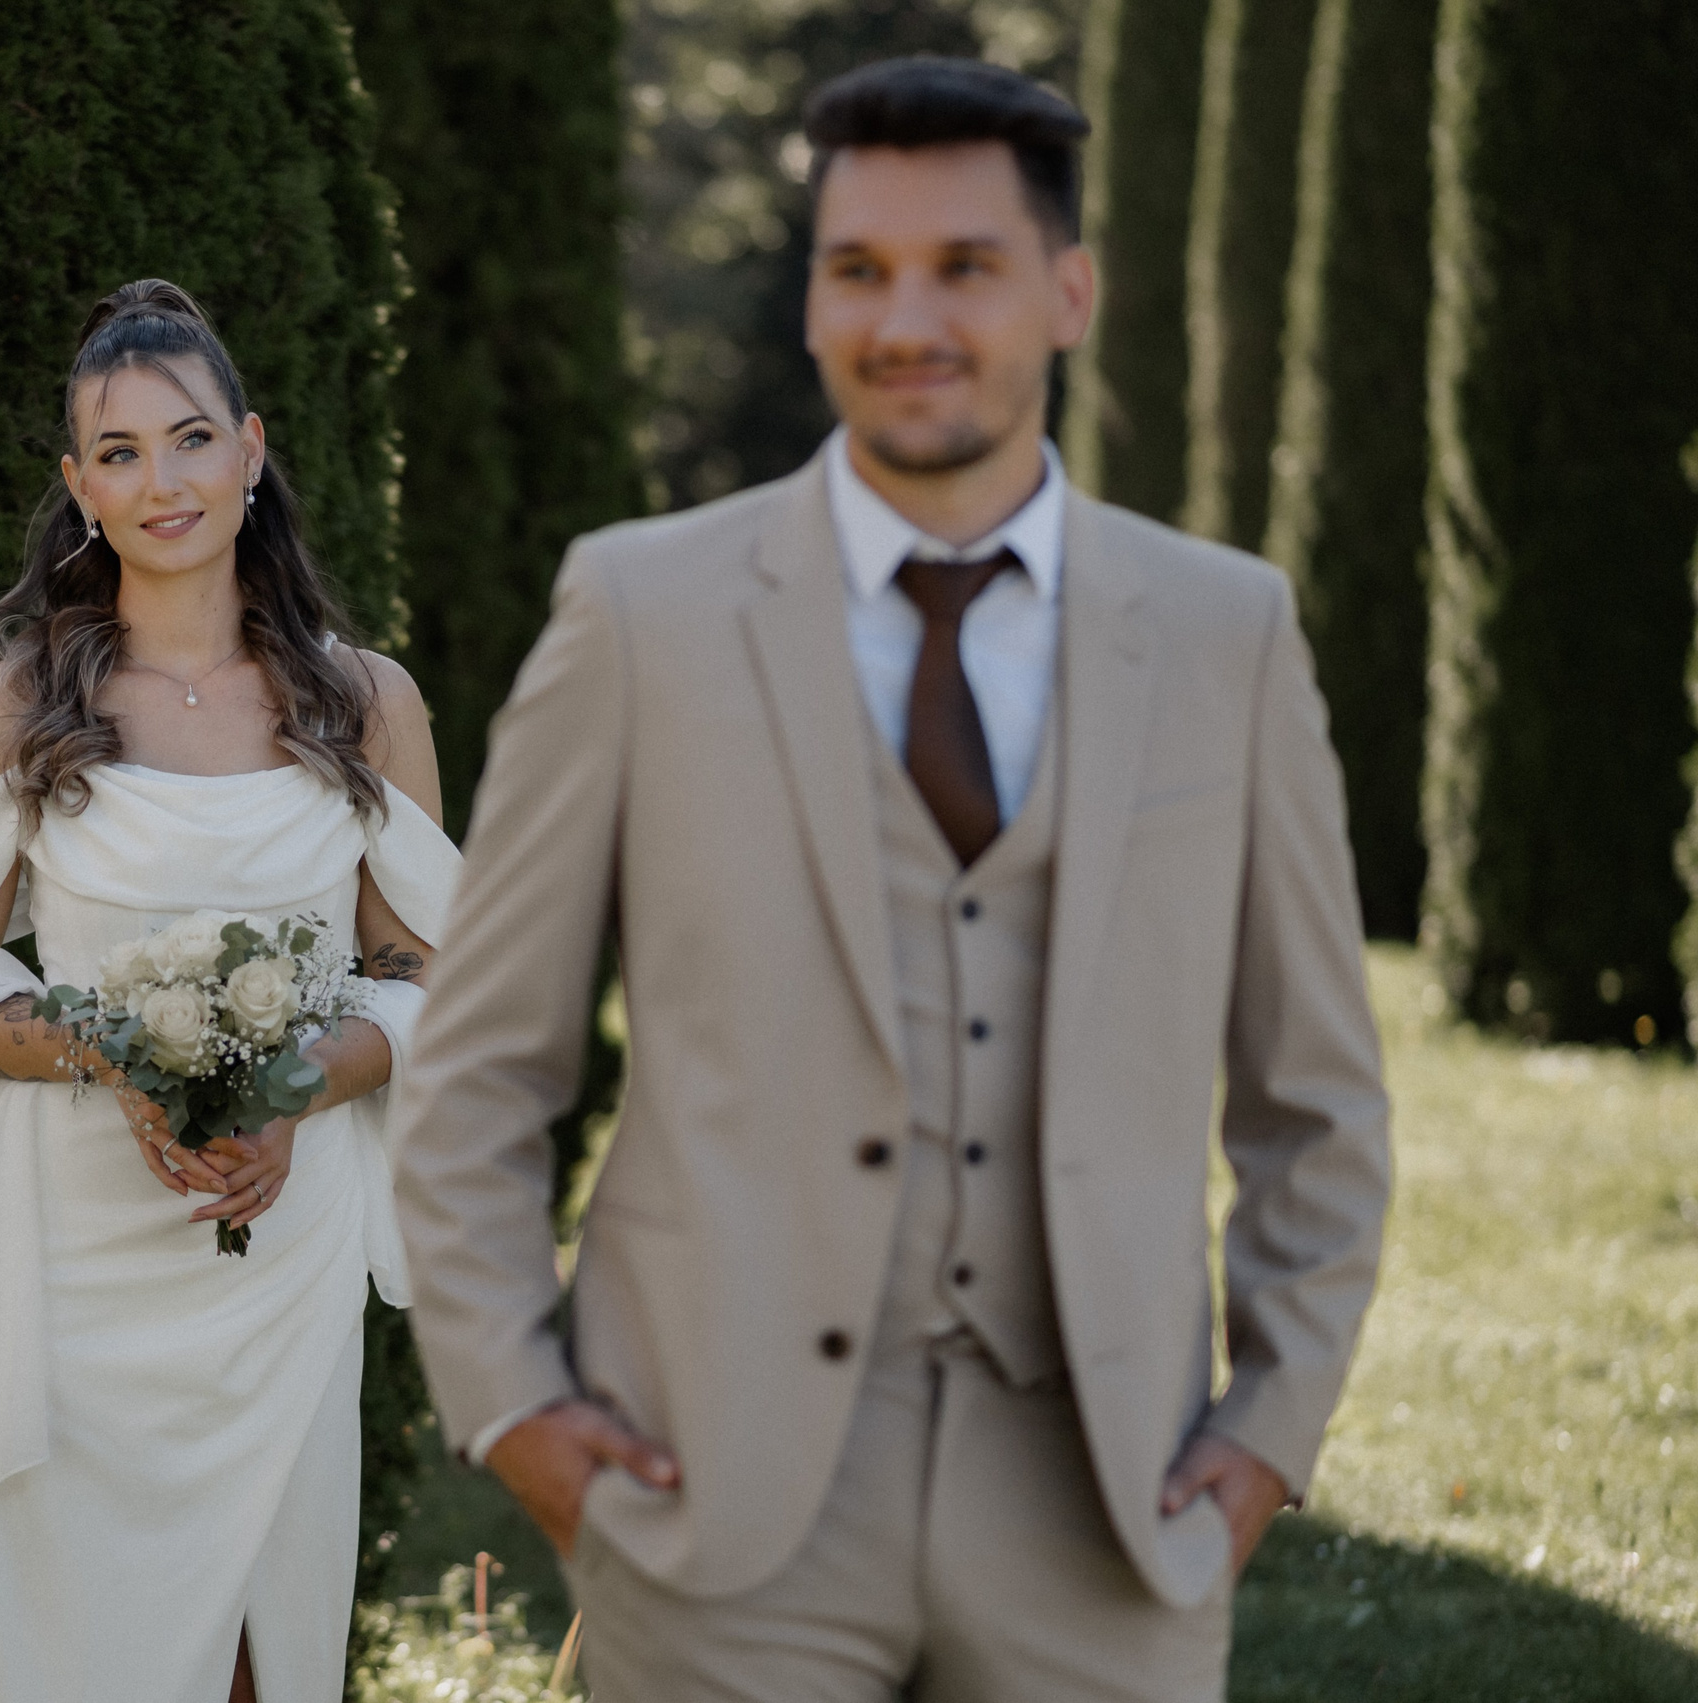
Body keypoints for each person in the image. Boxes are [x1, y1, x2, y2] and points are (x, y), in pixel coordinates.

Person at [389, 55, 1391, 1703]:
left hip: (1105, 1511)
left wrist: (1268, 1438)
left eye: (965, 267)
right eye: (858, 269)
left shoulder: (1227, 632)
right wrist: (521, 1416)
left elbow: (1320, 1098)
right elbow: (481, 1065)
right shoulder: (640, 614)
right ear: (812, 303)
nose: (905, 319)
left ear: (1069, 293)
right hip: (713, 1498)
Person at [0, 280, 458, 1702]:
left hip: (279, 1255)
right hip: (65, 1259)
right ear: (80, 487)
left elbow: (427, 980)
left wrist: (290, 1090)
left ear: (250, 450)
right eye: (121, 453)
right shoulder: (10, 711)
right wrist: (112, 1052)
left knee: (262, 1648)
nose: (164, 482)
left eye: (192, 438)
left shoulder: (367, 704)